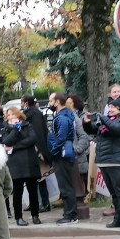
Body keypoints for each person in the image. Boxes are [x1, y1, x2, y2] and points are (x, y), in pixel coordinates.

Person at [83, 98, 120, 232]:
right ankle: (118, 219)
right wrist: (87, 123)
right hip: (104, 161)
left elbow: (118, 129)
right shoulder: (106, 122)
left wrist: (103, 118)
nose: (110, 109)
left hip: (118, 162)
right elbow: (93, 130)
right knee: (114, 194)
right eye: (109, 107)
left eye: (113, 107)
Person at [1, 107, 42, 226]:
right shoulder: (6, 129)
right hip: (16, 164)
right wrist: (15, 130)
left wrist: (15, 147)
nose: (10, 117)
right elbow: (7, 141)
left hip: (29, 162)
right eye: (8, 115)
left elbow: (32, 139)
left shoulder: (27, 125)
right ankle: (18, 217)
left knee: (33, 190)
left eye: (12, 114)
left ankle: (35, 215)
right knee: (17, 192)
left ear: (18, 115)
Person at [47, 92, 78, 225]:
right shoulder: (64, 115)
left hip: (62, 155)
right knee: (66, 185)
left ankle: (70, 215)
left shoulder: (62, 118)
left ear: (57, 102)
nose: (49, 103)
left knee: (65, 186)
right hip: (63, 154)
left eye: (51, 101)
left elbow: (61, 138)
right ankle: (69, 213)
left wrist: (53, 152)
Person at [21, 95, 51, 212]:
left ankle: (45, 202)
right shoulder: (35, 113)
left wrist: (40, 150)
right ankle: (35, 202)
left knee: (40, 177)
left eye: (22, 101)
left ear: (26, 103)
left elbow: (39, 133)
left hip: (36, 150)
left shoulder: (32, 114)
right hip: (34, 149)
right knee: (32, 178)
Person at [66, 95, 91, 191]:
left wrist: (78, 148)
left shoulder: (82, 115)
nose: (68, 104)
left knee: (84, 176)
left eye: (70, 102)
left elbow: (85, 134)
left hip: (84, 149)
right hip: (79, 149)